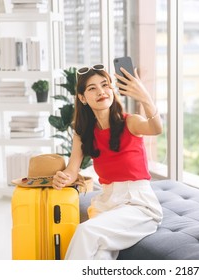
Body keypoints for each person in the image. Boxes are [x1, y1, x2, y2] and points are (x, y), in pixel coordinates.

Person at [52, 64, 163, 260]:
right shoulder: (83, 133)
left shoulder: (131, 122)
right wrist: (63, 178)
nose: (101, 91)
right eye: (92, 88)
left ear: (112, 90)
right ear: (82, 98)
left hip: (138, 204)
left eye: (105, 85)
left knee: (86, 232)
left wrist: (144, 96)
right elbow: (72, 170)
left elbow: (156, 128)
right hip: (106, 202)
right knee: (100, 256)